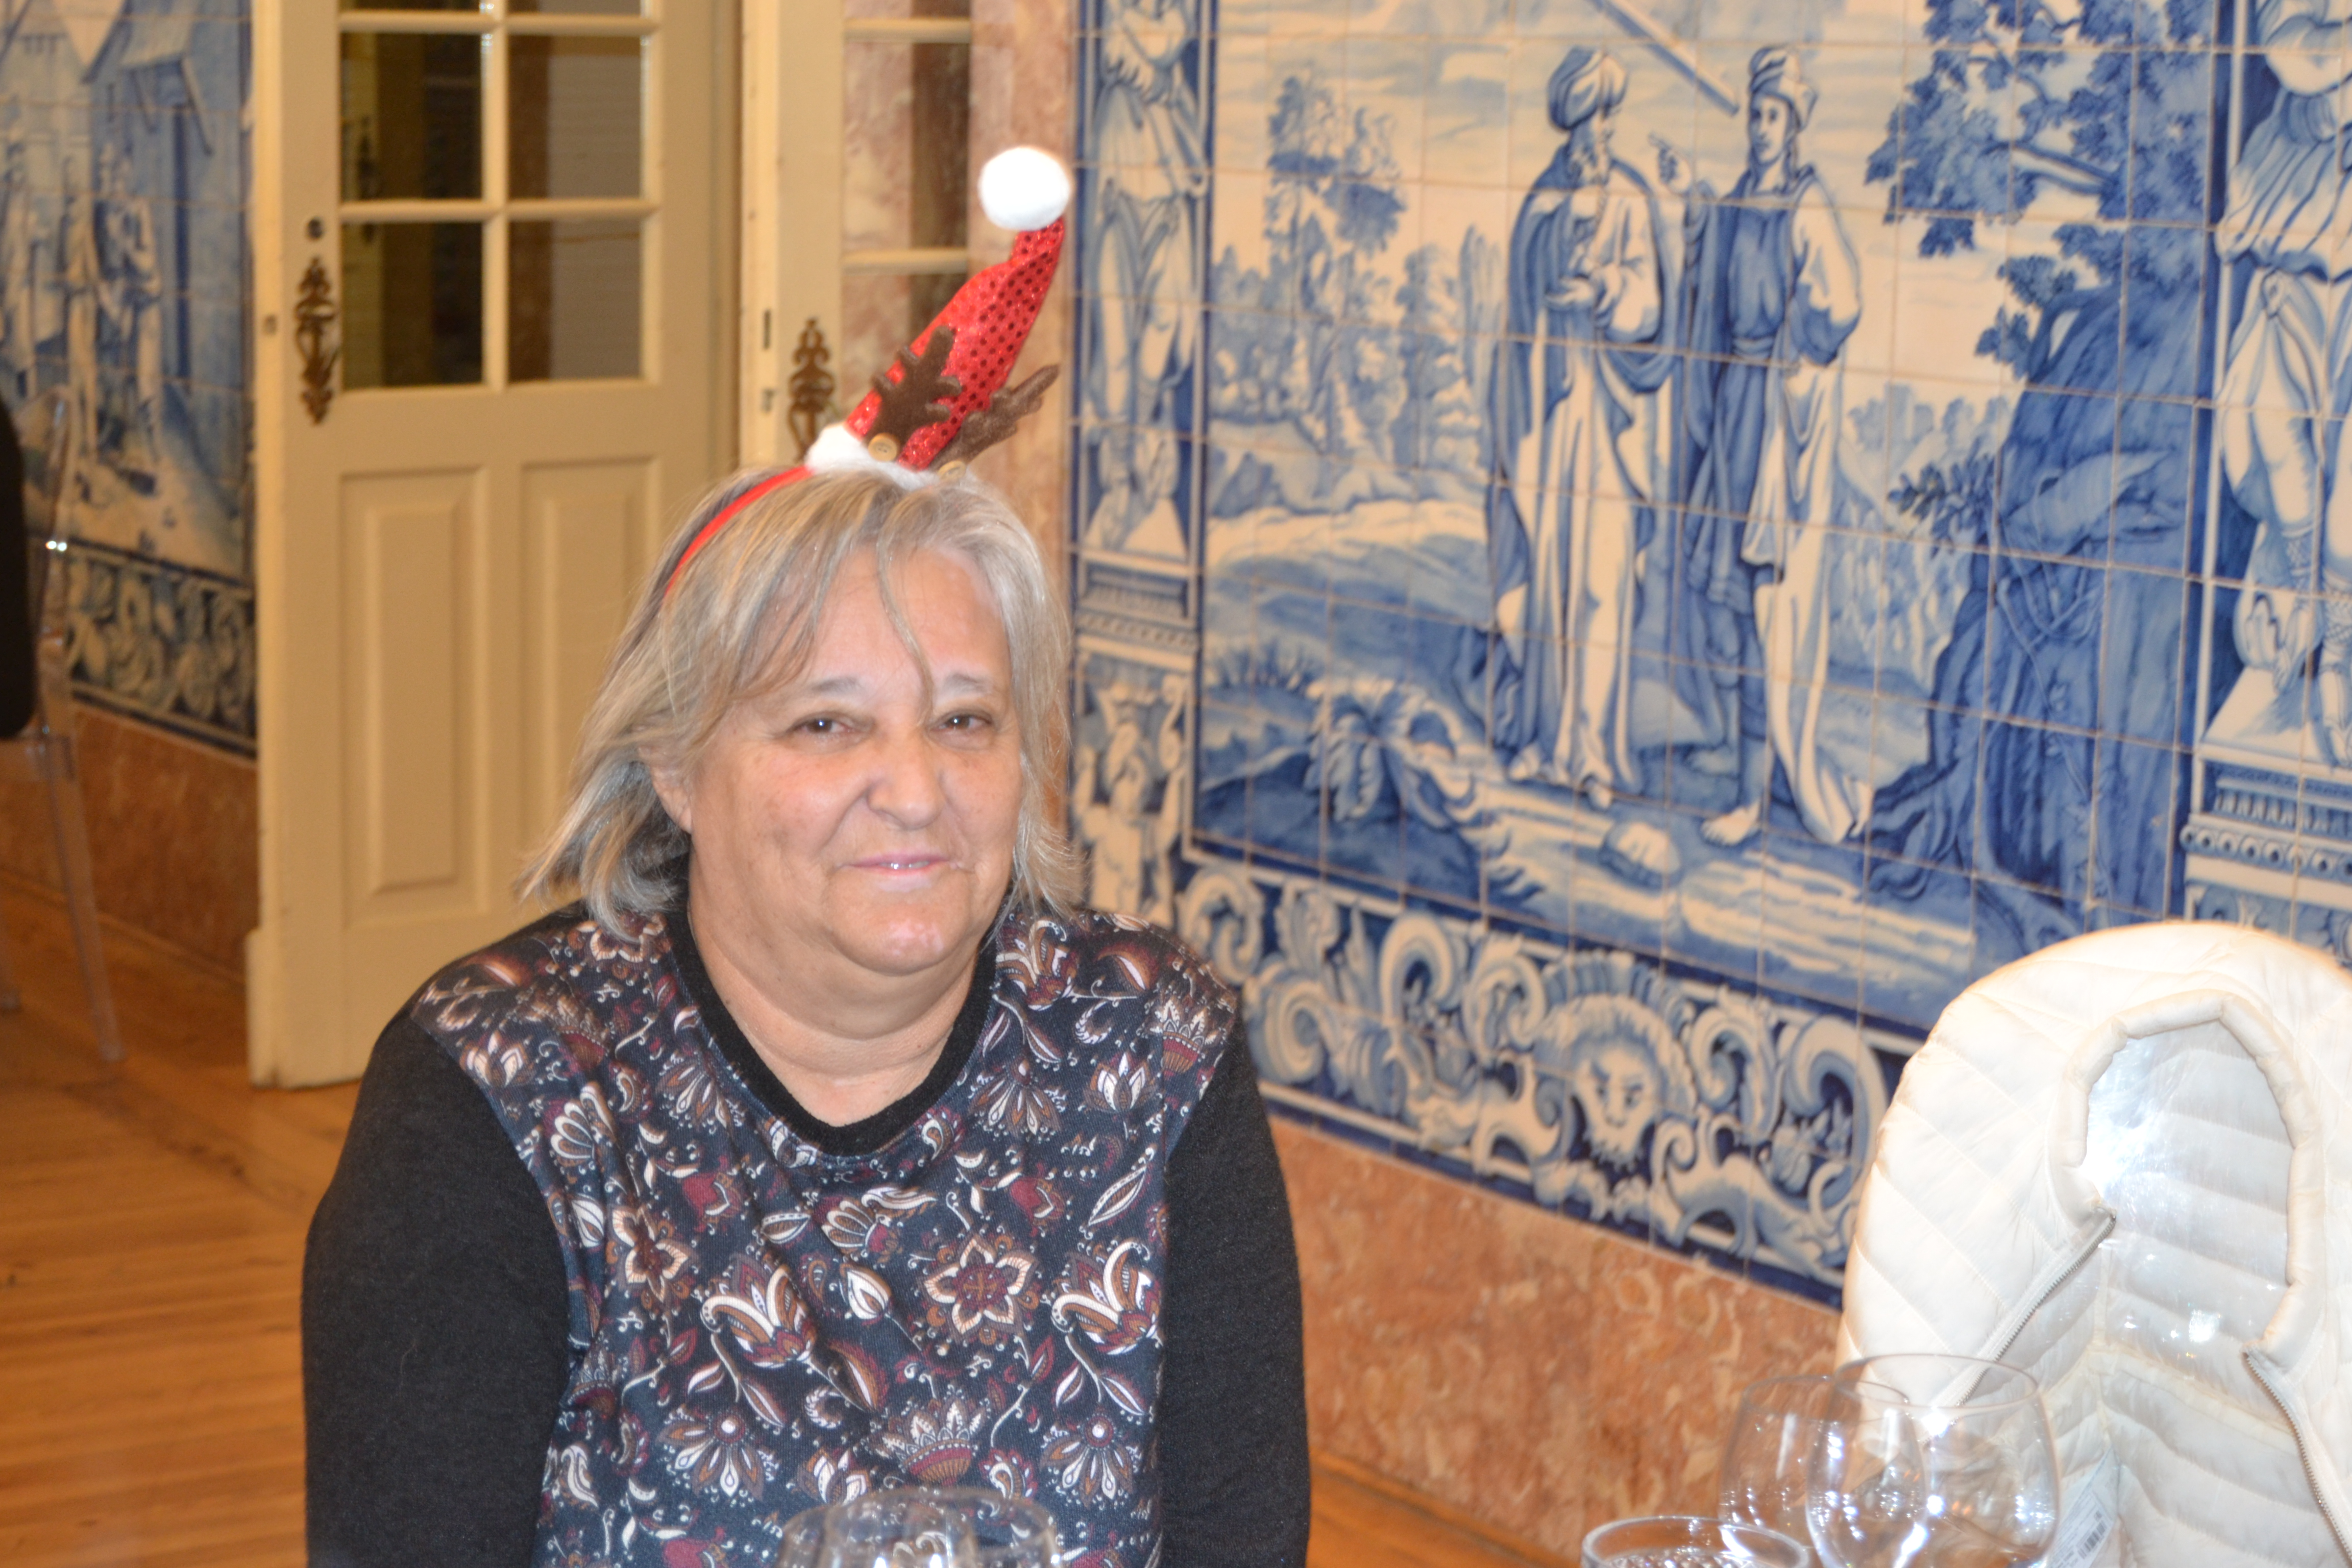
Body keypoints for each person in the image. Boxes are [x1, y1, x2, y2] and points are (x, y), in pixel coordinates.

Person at [303, 150, 1309, 1568]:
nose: (915, 789)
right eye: (827, 724)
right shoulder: (507, 1089)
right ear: (675, 766)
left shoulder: (1150, 1053)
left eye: (965, 719)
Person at [1660, 47, 1867, 848]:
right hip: (1733, 411)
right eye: (1755, 113)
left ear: (1794, 124)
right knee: (1719, 605)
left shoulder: (1807, 206)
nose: (1760, 127)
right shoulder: (1746, 198)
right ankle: (1737, 748)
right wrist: (1693, 199)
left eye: (1774, 115)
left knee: (1758, 615)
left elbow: (1840, 305)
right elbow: (1713, 251)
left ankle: (1752, 795)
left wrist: (1798, 347)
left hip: (1773, 424)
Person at [1486, 47, 1668, 811]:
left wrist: (1605, 289)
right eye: (1599, 115)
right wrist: (1553, 283)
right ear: (1575, 121)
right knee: (1550, 574)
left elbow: (1650, 305)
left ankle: (1592, 752)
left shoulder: (1630, 198)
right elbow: (1520, 302)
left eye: (1612, 114)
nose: (1608, 128)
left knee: (1600, 582)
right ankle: (1540, 736)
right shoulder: (1543, 200)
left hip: (1609, 419)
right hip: (1552, 413)